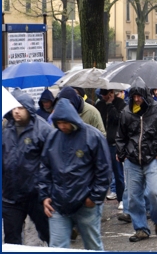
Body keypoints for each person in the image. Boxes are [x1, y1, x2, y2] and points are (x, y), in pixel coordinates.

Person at [39, 98, 111, 250]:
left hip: (85, 203)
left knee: (92, 245)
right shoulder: (53, 138)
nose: (62, 126)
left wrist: (94, 197)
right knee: (57, 247)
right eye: (59, 122)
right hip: (58, 204)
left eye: (65, 122)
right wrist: (45, 195)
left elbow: (104, 170)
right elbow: (45, 168)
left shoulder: (92, 136)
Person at [115, 77, 157, 242]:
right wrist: (123, 153)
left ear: (145, 95)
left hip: (153, 159)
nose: (136, 99)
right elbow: (121, 136)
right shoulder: (126, 112)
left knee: (155, 192)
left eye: (139, 96)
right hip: (132, 160)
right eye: (133, 96)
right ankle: (141, 228)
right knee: (134, 197)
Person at [2, 91, 53, 245]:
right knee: (11, 240)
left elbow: (51, 162)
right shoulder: (5, 129)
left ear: (29, 108)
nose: (16, 111)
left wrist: (47, 191)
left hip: (36, 194)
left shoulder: (43, 129)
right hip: (10, 196)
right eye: (14, 107)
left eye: (21, 108)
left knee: (48, 234)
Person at [95, 89, 127, 210]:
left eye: (107, 94)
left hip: (115, 144)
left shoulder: (121, 104)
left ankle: (121, 198)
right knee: (102, 173)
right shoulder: (99, 105)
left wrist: (110, 105)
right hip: (102, 143)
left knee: (118, 173)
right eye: (103, 95)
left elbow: (119, 119)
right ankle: (99, 200)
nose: (105, 97)